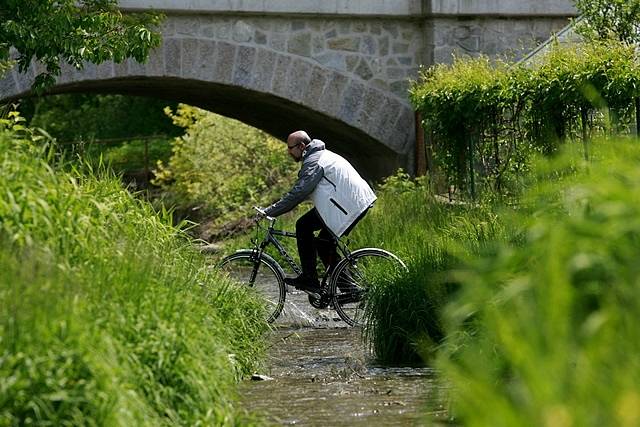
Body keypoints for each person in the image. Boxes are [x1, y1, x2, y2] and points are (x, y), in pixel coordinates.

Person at [263, 130, 377, 294]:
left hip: (348, 205)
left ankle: (313, 279)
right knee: (321, 240)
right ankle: (347, 288)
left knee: (304, 227)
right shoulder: (319, 156)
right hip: (350, 202)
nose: (288, 152)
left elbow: (299, 192)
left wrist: (270, 212)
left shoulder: (315, 161)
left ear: (302, 146)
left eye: (290, 148)